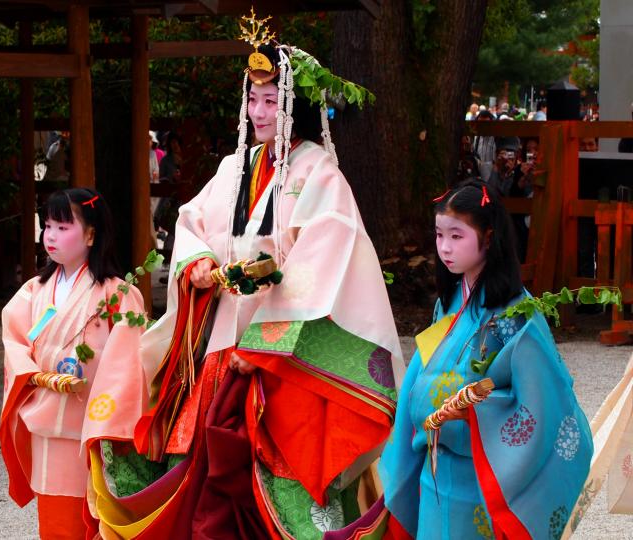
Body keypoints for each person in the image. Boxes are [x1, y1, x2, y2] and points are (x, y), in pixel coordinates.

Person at [86, 11, 404, 539]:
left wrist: (264, 327)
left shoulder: (320, 174)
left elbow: (327, 261)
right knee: (197, 452)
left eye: (270, 98)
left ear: (293, 104)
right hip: (220, 340)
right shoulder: (235, 167)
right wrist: (199, 265)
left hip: (278, 352)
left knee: (278, 468)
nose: (258, 111)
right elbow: (191, 223)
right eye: (252, 99)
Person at [378, 181, 593, 539]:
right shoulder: (447, 303)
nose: (445, 248)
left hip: (479, 481)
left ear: (489, 237)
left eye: (457, 236)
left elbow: (545, 402)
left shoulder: (518, 314)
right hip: (433, 474)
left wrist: (477, 411)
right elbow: (426, 374)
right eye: (439, 235)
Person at [0, 188, 145, 539]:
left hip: (90, 422)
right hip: (45, 412)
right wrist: (35, 375)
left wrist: (105, 413)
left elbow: (128, 361)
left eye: (63, 227)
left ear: (91, 234)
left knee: (93, 515)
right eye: (48, 226)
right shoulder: (35, 289)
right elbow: (14, 338)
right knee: (55, 515)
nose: (50, 236)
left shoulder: (116, 293)